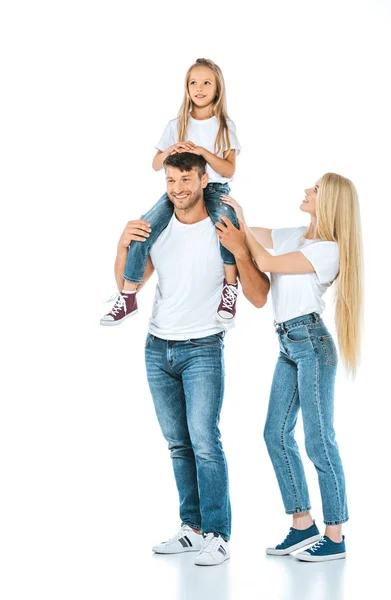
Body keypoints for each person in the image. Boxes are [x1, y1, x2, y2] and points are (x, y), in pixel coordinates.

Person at [113, 152, 269, 566]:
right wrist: (121, 243)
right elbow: (129, 284)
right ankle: (192, 528)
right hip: (157, 347)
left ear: (203, 181)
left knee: (204, 442)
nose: (178, 189)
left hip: (202, 346)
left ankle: (217, 534)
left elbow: (258, 295)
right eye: (170, 181)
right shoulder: (159, 229)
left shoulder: (223, 224)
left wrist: (240, 245)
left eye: (186, 179)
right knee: (178, 444)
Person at [215, 173, 363, 562]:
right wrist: (237, 215)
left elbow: (263, 260)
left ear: (328, 201)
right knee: (275, 434)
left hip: (311, 343)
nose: (306, 191)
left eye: (314, 189)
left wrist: (241, 239)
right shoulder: (295, 234)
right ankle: (302, 525)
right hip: (287, 343)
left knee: (319, 440)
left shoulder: (328, 249)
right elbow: (252, 234)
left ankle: (335, 535)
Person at [100, 58, 241, 326]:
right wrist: (169, 151)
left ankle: (230, 287)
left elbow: (229, 169)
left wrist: (202, 151)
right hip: (179, 190)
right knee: (145, 228)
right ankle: (128, 296)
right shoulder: (176, 125)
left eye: (206, 82)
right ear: (187, 88)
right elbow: (156, 164)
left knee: (227, 223)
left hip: (212, 187)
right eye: (193, 83)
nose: (199, 88)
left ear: (217, 89)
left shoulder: (225, 126)